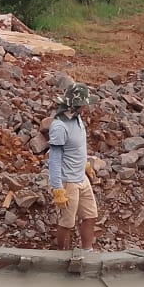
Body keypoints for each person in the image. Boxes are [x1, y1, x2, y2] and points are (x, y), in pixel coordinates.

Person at [48, 83, 98, 251]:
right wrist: (58, 188)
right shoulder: (60, 126)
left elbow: (76, 147)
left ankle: (87, 252)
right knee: (67, 224)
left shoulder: (76, 118)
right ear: (75, 104)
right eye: (84, 103)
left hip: (81, 178)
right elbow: (54, 159)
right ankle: (61, 256)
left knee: (90, 216)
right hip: (68, 181)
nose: (86, 106)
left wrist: (84, 164)